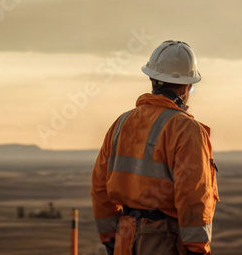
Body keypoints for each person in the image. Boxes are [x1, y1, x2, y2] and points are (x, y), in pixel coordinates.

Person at [91, 40, 219, 255]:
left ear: (152, 79)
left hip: (125, 239)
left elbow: (100, 186)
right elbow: (194, 195)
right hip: (164, 241)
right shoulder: (186, 130)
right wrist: (197, 249)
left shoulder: (121, 123)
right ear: (187, 86)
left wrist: (111, 237)